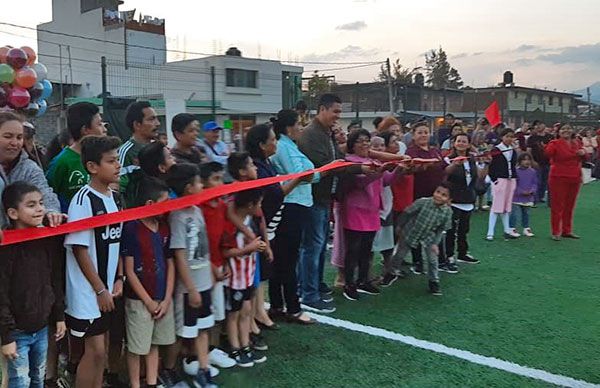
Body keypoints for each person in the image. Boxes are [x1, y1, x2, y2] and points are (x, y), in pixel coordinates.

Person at [63, 135, 124, 388]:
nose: (118, 165)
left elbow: (117, 242)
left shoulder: (115, 198)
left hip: (108, 288)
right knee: (96, 350)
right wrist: (99, 289)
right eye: (111, 161)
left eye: (117, 160)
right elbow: (79, 249)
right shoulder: (83, 200)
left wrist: (119, 278)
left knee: (103, 349)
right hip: (88, 291)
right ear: (92, 167)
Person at [297, 94, 367, 313]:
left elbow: (339, 160)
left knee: (317, 247)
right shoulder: (310, 134)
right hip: (313, 197)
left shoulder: (325, 133)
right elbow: (327, 166)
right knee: (312, 246)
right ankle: (307, 293)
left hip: (324, 197)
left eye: (339, 112)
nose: (338, 116)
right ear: (322, 109)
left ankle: (315, 285)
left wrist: (361, 165)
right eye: (335, 111)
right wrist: (361, 168)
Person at [0, 182, 66, 388]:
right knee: (20, 381)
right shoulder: (6, 247)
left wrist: (59, 316)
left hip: (42, 328)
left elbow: (54, 279)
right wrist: (7, 336)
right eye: (31, 205)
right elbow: (1, 293)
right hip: (17, 332)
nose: (39, 209)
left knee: (38, 378)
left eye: (41, 203)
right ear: (13, 213)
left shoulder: (46, 239)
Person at [166, 163, 217, 388]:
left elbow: (204, 249)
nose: (202, 185)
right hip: (189, 288)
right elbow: (179, 255)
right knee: (183, 331)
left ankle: (202, 371)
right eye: (198, 182)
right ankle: (169, 371)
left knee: (203, 328)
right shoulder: (177, 216)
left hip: (204, 281)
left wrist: (212, 272)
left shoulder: (197, 210)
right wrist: (191, 288)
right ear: (188, 187)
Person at [121, 177, 176, 388]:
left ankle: (152, 382)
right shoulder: (132, 228)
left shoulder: (164, 227)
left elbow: (170, 264)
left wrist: (166, 297)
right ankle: (135, 384)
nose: (169, 206)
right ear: (150, 204)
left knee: (154, 343)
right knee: (137, 346)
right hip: (139, 300)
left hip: (162, 296)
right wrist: (148, 301)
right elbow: (129, 270)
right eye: (165, 202)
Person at [269, 109, 322, 324]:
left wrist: (314, 174)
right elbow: (303, 175)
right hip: (291, 207)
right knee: (286, 259)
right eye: (299, 124)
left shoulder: (291, 146)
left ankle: (278, 305)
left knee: (284, 258)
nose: (301, 128)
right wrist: (314, 174)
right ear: (289, 127)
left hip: (298, 205)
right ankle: (291, 307)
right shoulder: (283, 147)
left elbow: (312, 175)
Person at [340, 129, 402, 301]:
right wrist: (379, 171)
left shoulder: (372, 160)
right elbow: (360, 182)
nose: (364, 144)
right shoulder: (349, 162)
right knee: (353, 249)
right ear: (352, 144)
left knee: (367, 249)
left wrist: (400, 170)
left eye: (366, 140)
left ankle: (363, 280)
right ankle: (349, 283)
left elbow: (387, 181)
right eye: (360, 141)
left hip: (372, 210)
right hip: (354, 209)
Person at [198, 162, 239, 370]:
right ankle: (196, 356)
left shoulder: (222, 206)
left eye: (221, 178)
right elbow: (198, 245)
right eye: (215, 179)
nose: (220, 183)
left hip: (219, 268)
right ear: (202, 184)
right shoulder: (199, 208)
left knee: (217, 313)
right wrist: (212, 267)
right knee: (202, 316)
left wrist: (226, 262)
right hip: (203, 270)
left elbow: (225, 238)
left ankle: (212, 349)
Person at [221, 189, 268, 367]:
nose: (260, 207)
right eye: (259, 204)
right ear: (250, 205)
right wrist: (248, 249)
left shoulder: (249, 221)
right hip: (234, 280)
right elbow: (225, 251)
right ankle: (235, 348)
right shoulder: (232, 226)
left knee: (246, 311)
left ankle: (245, 344)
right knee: (234, 314)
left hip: (247, 277)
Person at [0, 112, 62, 229]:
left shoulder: (29, 168)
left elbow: (45, 194)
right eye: (8, 136)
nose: (15, 143)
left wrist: (51, 212)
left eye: (19, 137)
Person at [391, 183, 453, 295]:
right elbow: (407, 212)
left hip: (428, 236)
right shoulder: (423, 202)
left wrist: (435, 243)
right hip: (411, 231)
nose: (439, 196)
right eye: (438, 192)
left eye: (444, 195)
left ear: (449, 200)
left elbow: (441, 229)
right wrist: (399, 226)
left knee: (433, 260)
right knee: (400, 255)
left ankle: (434, 282)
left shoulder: (447, 212)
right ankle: (390, 273)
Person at [46, 102, 108, 212]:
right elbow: (48, 193)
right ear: (85, 130)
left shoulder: (102, 157)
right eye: (99, 124)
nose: (105, 129)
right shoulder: (62, 162)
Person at [405, 121, 446, 274]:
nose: (423, 135)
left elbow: (443, 169)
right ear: (413, 135)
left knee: (437, 230)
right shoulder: (411, 152)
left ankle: (440, 260)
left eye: (425, 132)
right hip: (418, 196)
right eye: (420, 132)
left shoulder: (435, 150)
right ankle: (417, 262)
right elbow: (410, 170)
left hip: (438, 197)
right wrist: (422, 166)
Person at [444, 133, 489, 268]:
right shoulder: (449, 158)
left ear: (469, 144)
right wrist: (455, 164)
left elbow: (480, 176)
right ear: (454, 143)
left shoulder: (471, 159)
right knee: (451, 230)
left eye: (464, 141)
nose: (461, 143)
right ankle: (449, 256)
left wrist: (487, 163)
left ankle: (463, 253)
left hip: (468, 199)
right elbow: (445, 173)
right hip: (453, 199)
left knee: (464, 229)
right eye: (459, 141)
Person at [545, 124, 585, 241]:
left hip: (575, 177)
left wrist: (583, 153)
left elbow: (585, 157)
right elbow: (548, 154)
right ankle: (556, 231)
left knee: (570, 205)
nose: (566, 131)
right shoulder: (555, 143)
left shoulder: (577, 142)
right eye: (563, 129)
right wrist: (550, 143)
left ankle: (567, 230)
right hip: (559, 177)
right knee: (557, 206)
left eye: (568, 128)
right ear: (558, 131)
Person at [118, 101, 161, 208]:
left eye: (156, 118)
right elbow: (118, 187)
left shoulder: (159, 148)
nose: (158, 123)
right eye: (151, 119)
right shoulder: (125, 152)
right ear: (137, 124)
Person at [486, 128, 520, 240]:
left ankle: (507, 230)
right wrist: (494, 180)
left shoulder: (513, 150)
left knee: (506, 207)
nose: (509, 139)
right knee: (496, 206)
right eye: (507, 136)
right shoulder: (497, 150)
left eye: (511, 136)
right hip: (500, 180)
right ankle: (490, 232)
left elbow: (513, 165)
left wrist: (514, 178)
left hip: (510, 180)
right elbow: (492, 167)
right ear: (502, 137)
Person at [509, 153, 538, 237]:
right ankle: (512, 228)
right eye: (524, 160)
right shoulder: (516, 171)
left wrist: (532, 190)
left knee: (526, 213)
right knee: (514, 213)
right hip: (516, 197)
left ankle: (526, 228)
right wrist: (521, 191)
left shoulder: (532, 171)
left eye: (528, 160)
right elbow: (514, 184)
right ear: (520, 161)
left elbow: (535, 183)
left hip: (528, 197)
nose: (527, 162)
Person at [527, 120, 552, 203]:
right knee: (537, 181)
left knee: (545, 181)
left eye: (540, 124)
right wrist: (532, 161)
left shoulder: (550, 137)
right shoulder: (532, 138)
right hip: (536, 163)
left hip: (548, 163)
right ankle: (534, 199)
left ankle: (541, 197)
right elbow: (528, 151)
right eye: (536, 125)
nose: (538, 126)